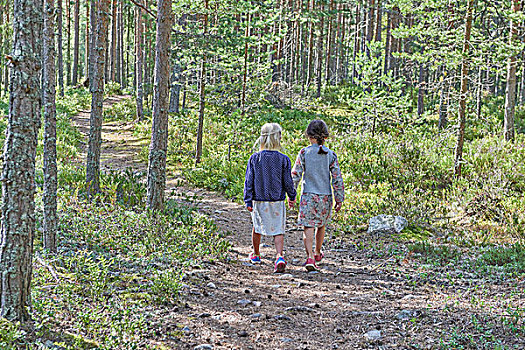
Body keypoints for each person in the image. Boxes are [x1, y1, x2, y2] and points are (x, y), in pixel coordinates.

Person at [291, 119, 344, 271]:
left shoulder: (304, 152)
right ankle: (317, 252)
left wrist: (292, 194)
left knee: (308, 226)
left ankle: (309, 257)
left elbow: (295, 174)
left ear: (309, 135)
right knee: (321, 225)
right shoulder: (330, 155)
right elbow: (337, 178)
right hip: (325, 196)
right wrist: (339, 198)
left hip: (308, 196)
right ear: (325, 136)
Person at [244, 123, 297, 273]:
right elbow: (288, 181)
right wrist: (292, 196)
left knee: (257, 227)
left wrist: (248, 200)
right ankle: (279, 256)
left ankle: (256, 254)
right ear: (277, 139)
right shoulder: (283, 159)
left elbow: (249, 181)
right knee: (278, 230)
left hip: (259, 200)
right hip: (277, 201)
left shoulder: (255, 158)